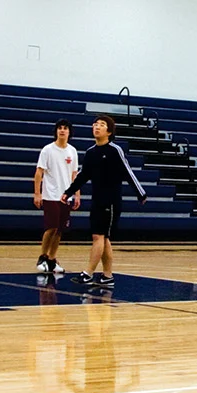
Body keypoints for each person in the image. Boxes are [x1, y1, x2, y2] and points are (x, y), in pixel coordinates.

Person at [59, 113, 147, 290]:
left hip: (111, 202)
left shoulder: (115, 150)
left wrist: (140, 193)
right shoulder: (91, 153)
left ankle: (88, 273)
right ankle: (107, 276)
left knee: (98, 236)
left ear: (109, 131)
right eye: (95, 124)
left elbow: (128, 172)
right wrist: (68, 192)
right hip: (97, 200)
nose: (96, 127)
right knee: (104, 238)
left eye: (101, 124)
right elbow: (83, 176)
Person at [33, 119, 80, 277]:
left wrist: (77, 194)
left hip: (66, 196)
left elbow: (75, 175)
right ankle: (42, 257)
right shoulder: (48, 150)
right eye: (59, 128)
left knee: (60, 230)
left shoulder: (72, 151)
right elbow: (39, 172)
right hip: (51, 195)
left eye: (65, 128)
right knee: (51, 227)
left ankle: (52, 259)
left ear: (69, 132)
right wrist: (37, 193)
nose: (62, 130)